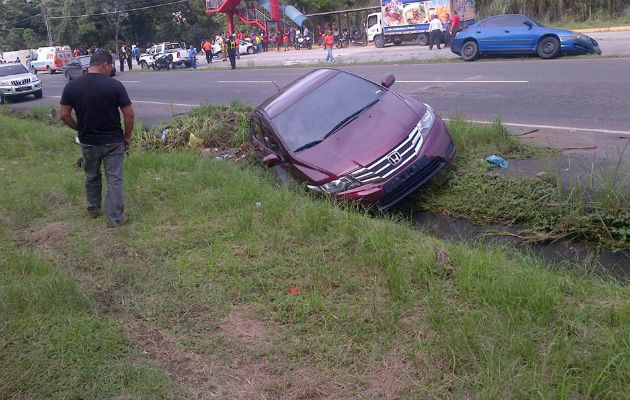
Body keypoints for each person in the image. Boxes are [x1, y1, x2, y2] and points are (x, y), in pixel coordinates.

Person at [59, 50, 135, 228]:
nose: (110, 70)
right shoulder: (114, 85)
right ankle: (115, 219)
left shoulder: (72, 86)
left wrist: (79, 128)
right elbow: (129, 114)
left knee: (91, 175)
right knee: (114, 179)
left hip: (88, 141)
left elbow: (64, 114)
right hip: (113, 141)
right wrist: (127, 136)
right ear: (105, 65)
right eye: (110, 66)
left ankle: (93, 209)